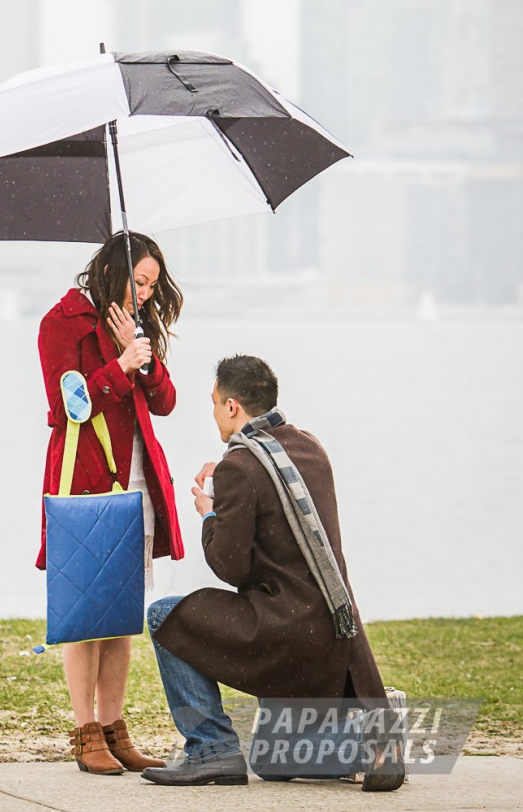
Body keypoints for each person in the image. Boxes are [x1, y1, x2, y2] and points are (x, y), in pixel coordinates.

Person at [142, 354, 405, 791]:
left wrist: (211, 513)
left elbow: (230, 566)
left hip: (283, 633)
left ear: (232, 407)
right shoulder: (308, 447)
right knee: (270, 759)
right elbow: (273, 499)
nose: (212, 413)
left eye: (213, 403)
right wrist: (226, 485)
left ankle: (212, 750)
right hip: (335, 638)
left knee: (162, 614)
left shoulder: (240, 467)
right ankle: (367, 744)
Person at [37, 231, 185, 776]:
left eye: (151, 285)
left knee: (121, 615)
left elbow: (166, 402)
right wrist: (120, 365)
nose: (145, 294)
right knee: (86, 613)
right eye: (138, 282)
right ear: (110, 273)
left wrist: (143, 357)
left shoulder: (136, 324)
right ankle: (86, 732)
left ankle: (115, 728)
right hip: (85, 479)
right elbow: (65, 407)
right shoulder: (62, 323)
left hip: (136, 480)